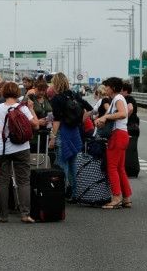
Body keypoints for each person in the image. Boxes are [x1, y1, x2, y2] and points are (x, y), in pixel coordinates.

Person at [0, 81, 39, 223]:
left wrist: (1, 133)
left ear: (4, 93)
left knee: (3, 181)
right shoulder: (22, 108)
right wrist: (32, 109)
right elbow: (35, 124)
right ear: (17, 94)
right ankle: (25, 214)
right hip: (21, 148)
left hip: (1, 149)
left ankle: (3, 216)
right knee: (23, 181)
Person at [49, 72, 92, 201]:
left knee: (62, 164)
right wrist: (80, 120)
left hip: (63, 132)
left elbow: (57, 120)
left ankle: (61, 192)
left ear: (55, 84)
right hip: (75, 132)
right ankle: (74, 193)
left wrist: (53, 136)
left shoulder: (57, 99)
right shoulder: (74, 95)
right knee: (73, 164)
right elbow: (90, 108)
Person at [95, 77, 132, 210]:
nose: (106, 88)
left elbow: (122, 114)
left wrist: (105, 117)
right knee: (120, 168)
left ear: (114, 88)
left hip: (117, 135)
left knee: (112, 167)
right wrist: (102, 119)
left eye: (108, 86)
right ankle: (126, 197)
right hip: (122, 135)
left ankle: (116, 197)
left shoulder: (117, 99)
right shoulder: (117, 99)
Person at [27, 79, 52, 154]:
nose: (41, 92)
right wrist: (38, 122)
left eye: (43, 90)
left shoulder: (46, 98)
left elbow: (50, 112)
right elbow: (23, 117)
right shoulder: (30, 98)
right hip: (33, 135)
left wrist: (49, 122)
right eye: (39, 90)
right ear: (34, 88)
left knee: (44, 159)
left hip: (46, 134)